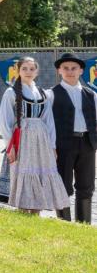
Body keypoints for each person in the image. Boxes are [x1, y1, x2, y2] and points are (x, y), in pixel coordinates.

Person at [0, 57, 68, 215]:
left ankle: (36, 211)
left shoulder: (43, 93)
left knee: (41, 171)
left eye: (31, 69)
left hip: (41, 140)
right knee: (24, 170)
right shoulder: (11, 92)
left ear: (37, 71)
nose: (28, 72)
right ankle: (22, 209)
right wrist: (10, 147)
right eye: (24, 69)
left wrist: (53, 146)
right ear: (18, 71)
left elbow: (49, 121)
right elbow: (4, 121)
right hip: (22, 138)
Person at [48, 53, 97, 224]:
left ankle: (83, 225)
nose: (70, 71)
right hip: (63, 145)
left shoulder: (91, 94)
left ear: (81, 71)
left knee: (86, 185)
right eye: (66, 68)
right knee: (62, 185)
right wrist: (51, 146)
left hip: (88, 144)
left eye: (74, 68)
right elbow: (47, 124)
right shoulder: (51, 95)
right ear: (59, 71)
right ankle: (64, 225)